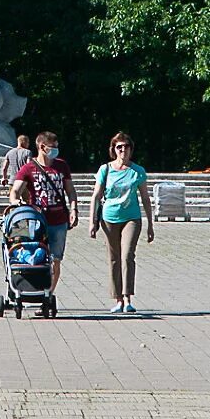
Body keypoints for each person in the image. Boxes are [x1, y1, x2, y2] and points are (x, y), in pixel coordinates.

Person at [90, 131, 155, 313]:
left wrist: (150, 224)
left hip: (131, 218)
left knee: (127, 256)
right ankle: (117, 299)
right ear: (114, 150)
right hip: (109, 218)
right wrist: (92, 221)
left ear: (131, 149)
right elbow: (96, 196)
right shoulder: (106, 170)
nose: (123, 150)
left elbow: (145, 198)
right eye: (119, 147)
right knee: (114, 258)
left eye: (126, 147)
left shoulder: (137, 171)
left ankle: (127, 298)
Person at [11, 131, 77, 291]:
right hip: (36, 220)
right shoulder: (29, 168)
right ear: (42, 147)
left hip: (59, 219)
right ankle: (35, 287)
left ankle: (48, 294)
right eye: (53, 147)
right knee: (34, 254)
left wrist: (74, 208)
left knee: (55, 259)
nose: (56, 150)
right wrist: (16, 202)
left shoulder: (62, 166)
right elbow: (15, 191)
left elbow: (70, 190)